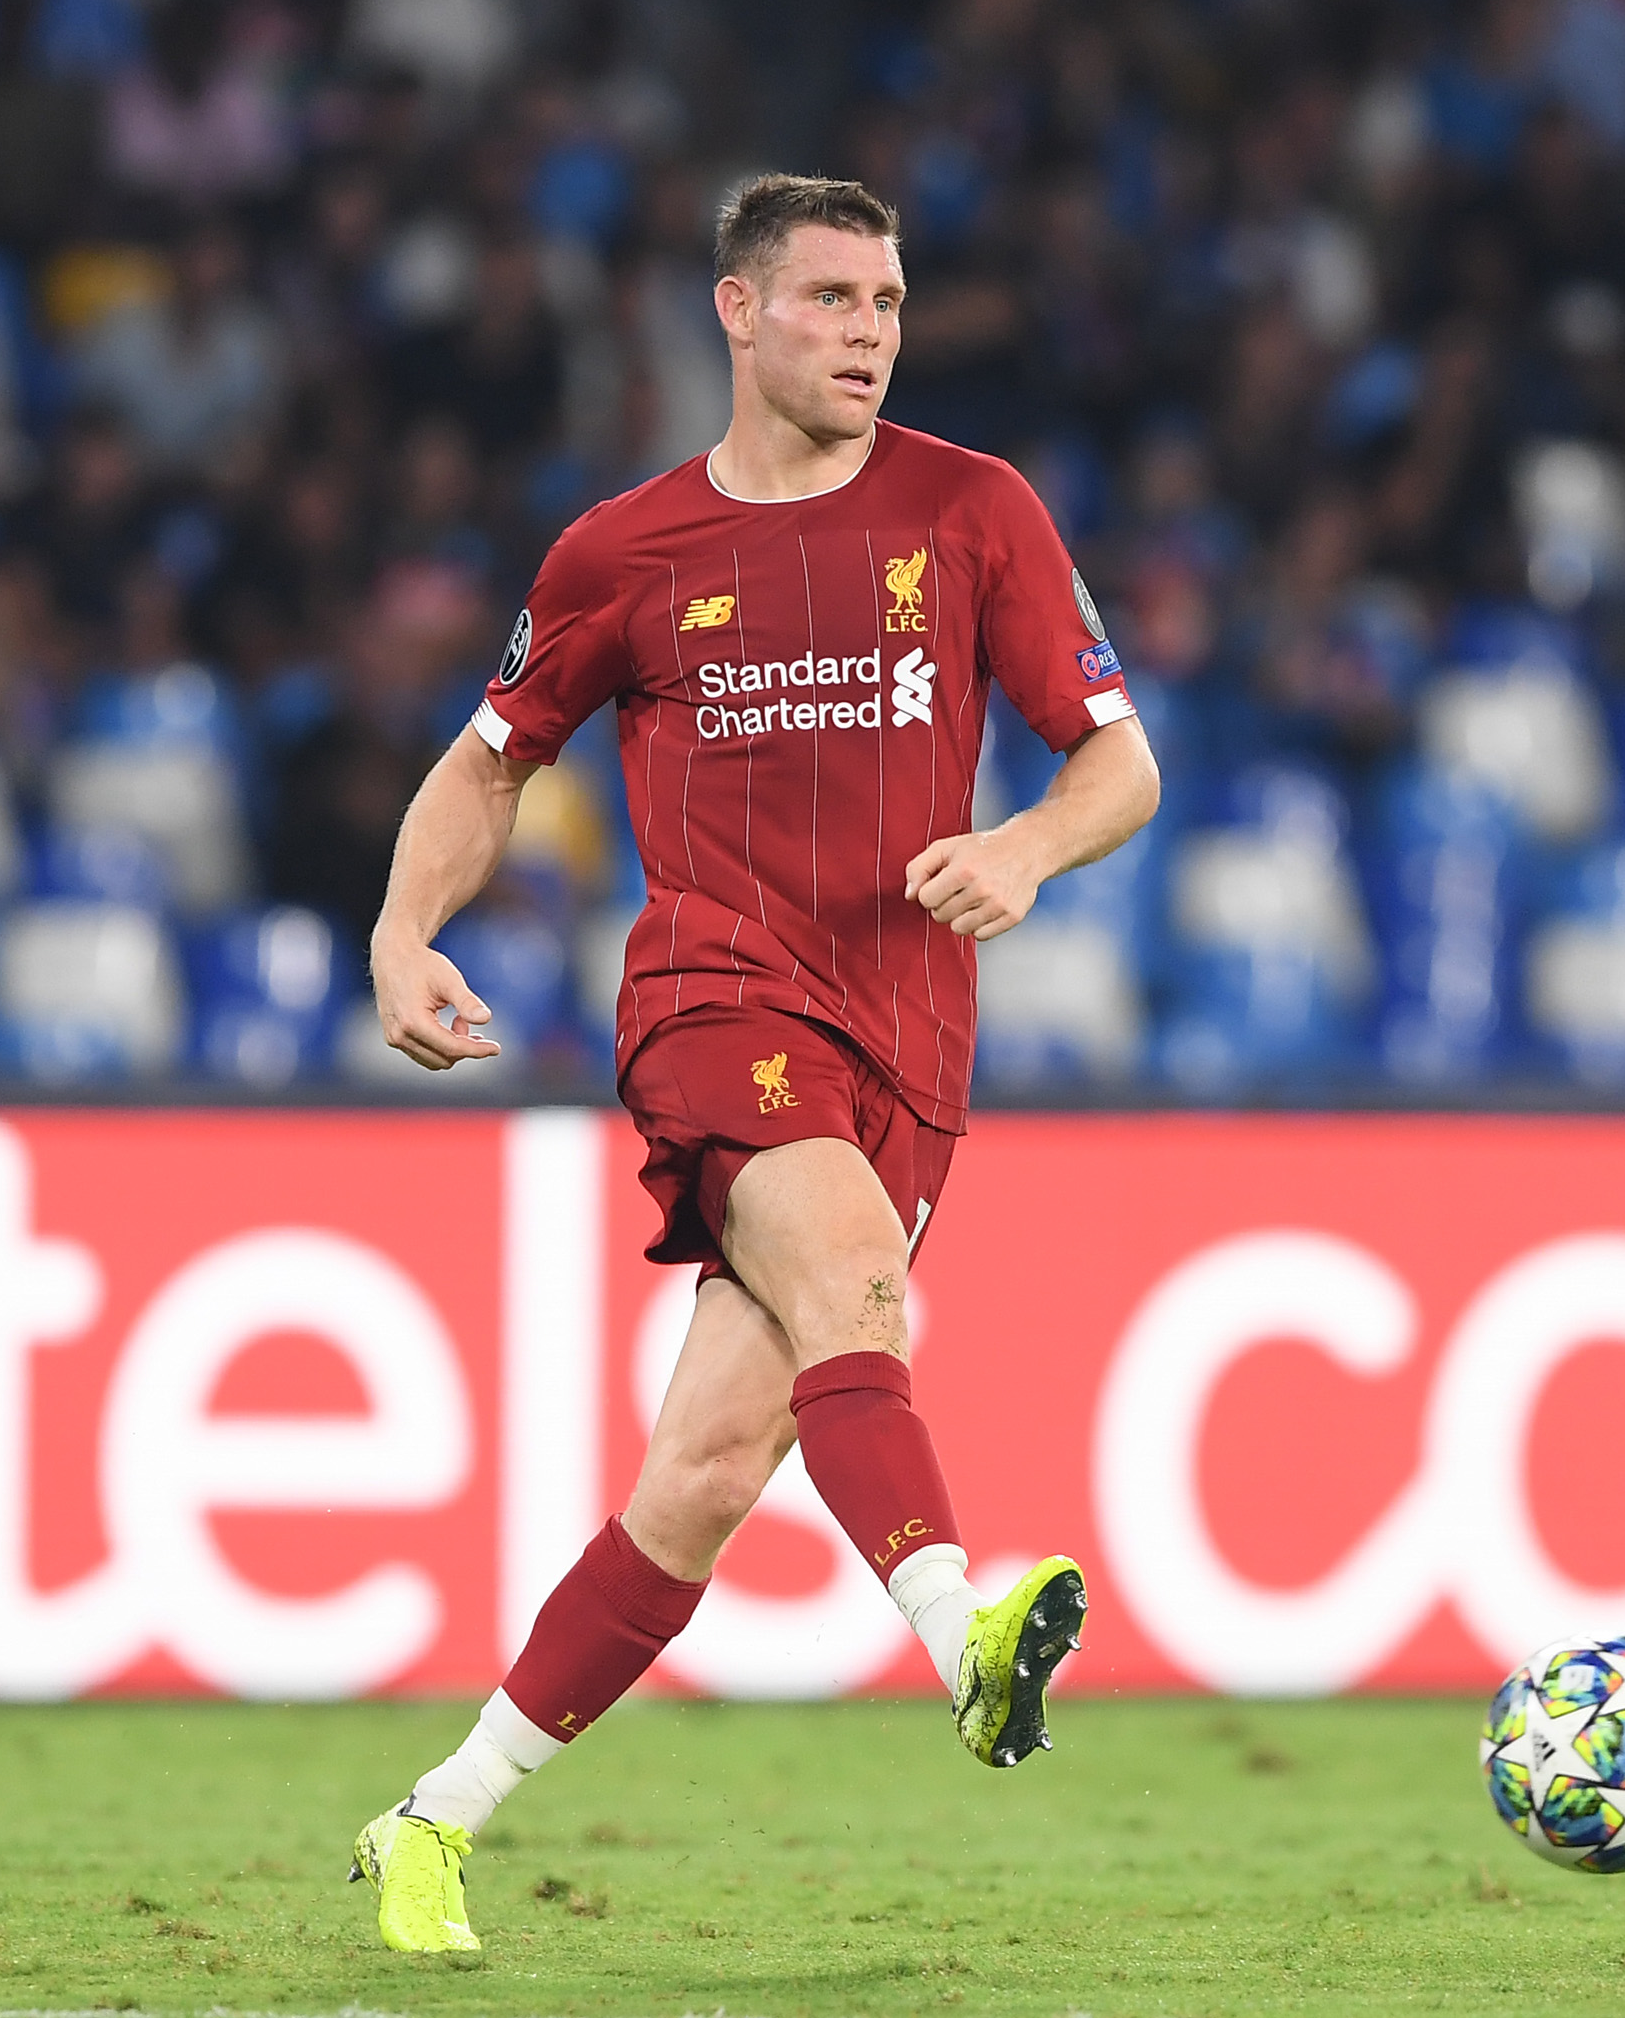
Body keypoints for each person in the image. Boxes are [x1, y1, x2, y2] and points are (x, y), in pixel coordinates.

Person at [349, 173, 1162, 1954]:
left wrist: (1022, 850)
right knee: (854, 1272)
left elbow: (1119, 762)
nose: (869, 334)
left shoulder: (974, 509)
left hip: (913, 1041)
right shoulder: (621, 551)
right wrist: (407, 932)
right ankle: (963, 1635)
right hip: (717, 1003)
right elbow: (491, 760)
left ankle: (430, 1820)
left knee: (707, 1477)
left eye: (886, 303)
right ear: (736, 313)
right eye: (830, 301)